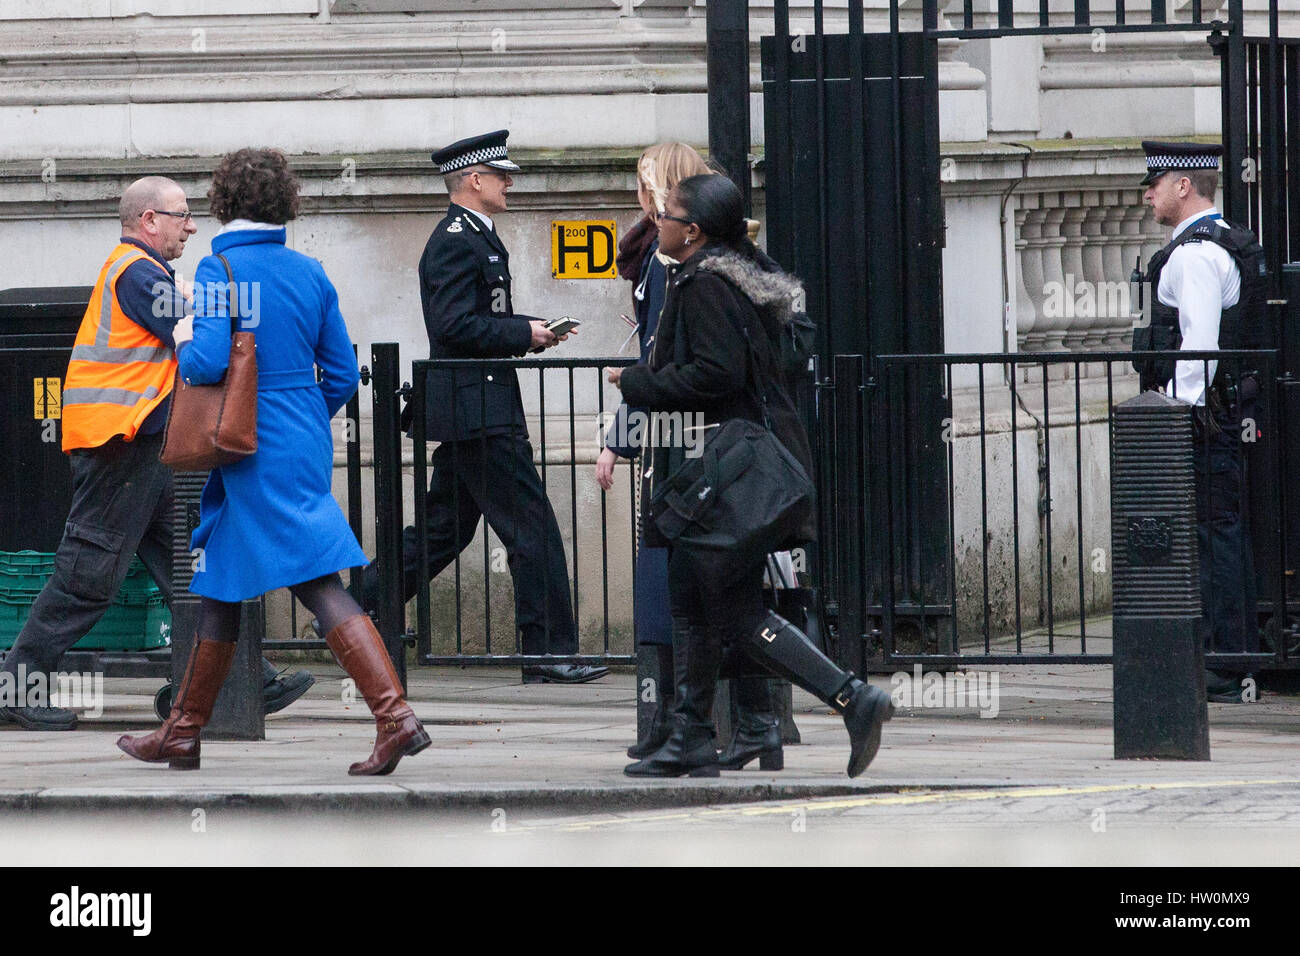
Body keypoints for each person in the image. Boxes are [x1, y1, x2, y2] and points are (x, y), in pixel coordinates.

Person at [118, 149, 429, 774]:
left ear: (224, 203)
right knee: (219, 585)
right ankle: (182, 731)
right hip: (299, 437)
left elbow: (206, 363)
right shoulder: (310, 271)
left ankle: (397, 718)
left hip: (244, 446)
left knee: (315, 578)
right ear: (284, 203)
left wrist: (181, 337)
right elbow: (341, 371)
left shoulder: (218, 268)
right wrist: (303, 411)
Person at [0, 176, 313, 733]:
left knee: (192, 569)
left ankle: (245, 678)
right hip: (121, 448)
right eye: (182, 215)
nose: (191, 226)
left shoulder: (147, 273)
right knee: (86, 578)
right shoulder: (137, 272)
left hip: (144, 448)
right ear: (148, 220)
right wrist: (246, 295)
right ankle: (15, 688)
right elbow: (193, 331)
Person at [611, 174, 894, 778]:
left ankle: (848, 697)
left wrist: (638, 383)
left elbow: (716, 374)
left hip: (723, 471)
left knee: (731, 607)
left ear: (692, 231)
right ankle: (691, 734)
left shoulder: (707, 285)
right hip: (718, 466)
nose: (656, 220)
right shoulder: (726, 274)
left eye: (668, 213)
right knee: (698, 599)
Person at [361, 130, 606, 685]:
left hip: (478, 405)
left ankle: (354, 608)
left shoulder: (477, 235)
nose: (509, 183)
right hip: (477, 410)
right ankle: (549, 655)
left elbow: (477, 319)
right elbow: (452, 325)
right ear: (474, 180)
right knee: (532, 529)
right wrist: (525, 332)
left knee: (444, 530)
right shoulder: (454, 239)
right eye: (501, 176)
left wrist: (529, 330)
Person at [1134, 141, 1266, 704]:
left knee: (1213, 535)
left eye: (1155, 183)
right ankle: (1229, 654)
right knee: (1220, 530)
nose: (1148, 194)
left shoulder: (1192, 255)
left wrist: (1178, 416)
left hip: (1202, 417)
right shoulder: (1219, 242)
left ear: (1183, 186)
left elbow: (1199, 346)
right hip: (1223, 413)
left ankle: (1223, 661)